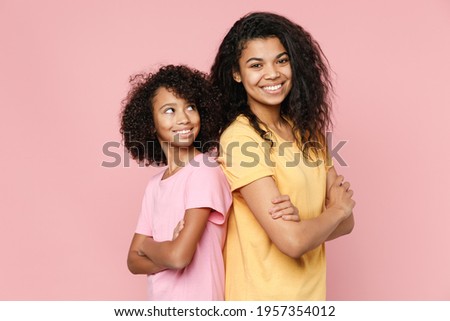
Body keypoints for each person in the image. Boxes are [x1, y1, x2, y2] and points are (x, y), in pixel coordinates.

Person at [210, 12, 356, 300]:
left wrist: (304, 224)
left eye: (281, 60)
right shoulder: (240, 138)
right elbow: (293, 241)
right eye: (256, 65)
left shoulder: (308, 133)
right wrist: (333, 211)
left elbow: (349, 224)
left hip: (311, 300)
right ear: (236, 74)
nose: (273, 73)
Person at [120, 64, 298, 300]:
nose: (184, 118)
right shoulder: (155, 185)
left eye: (190, 107)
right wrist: (161, 249)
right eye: (169, 110)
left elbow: (178, 257)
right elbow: (133, 262)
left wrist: (147, 247)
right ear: (150, 123)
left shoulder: (204, 170)